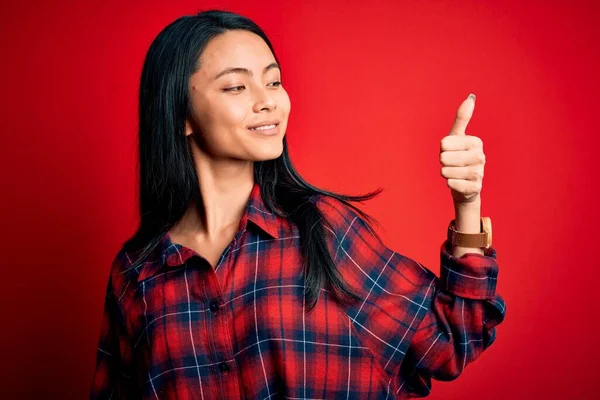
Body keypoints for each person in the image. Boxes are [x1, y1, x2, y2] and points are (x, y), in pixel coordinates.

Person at [89, 9, 506, 399]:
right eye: (236, 86)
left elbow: (450, 338)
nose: (268, 100)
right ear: (181, 114)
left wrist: (467, 203)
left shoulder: (320, 229)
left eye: (273, 81)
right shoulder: (137, 273)